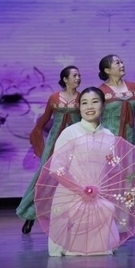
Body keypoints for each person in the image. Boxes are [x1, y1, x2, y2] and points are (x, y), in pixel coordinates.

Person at [47, 87, 121, 257]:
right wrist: (80, 190)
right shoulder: (70, 133)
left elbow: (112, 169)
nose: (89, 107)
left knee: (107, 209)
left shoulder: (109, 135)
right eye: (84, 103)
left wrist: (102, 193)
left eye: (94, 102)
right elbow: (56, 170)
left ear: (103, 105)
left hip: (97, 195)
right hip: (71, 193)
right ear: (79, 107)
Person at [17, 65, 82, 234]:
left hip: (74, 142)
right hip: (55, 142)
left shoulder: (82, 98)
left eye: (79, 75)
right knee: (44, 177)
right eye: (74, 75)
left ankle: (72, 218)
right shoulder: (54, 97)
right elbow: (44, 120)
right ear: (65, 79)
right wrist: (36, 137)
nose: (78, 78)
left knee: (73, 178)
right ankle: (30, 215)